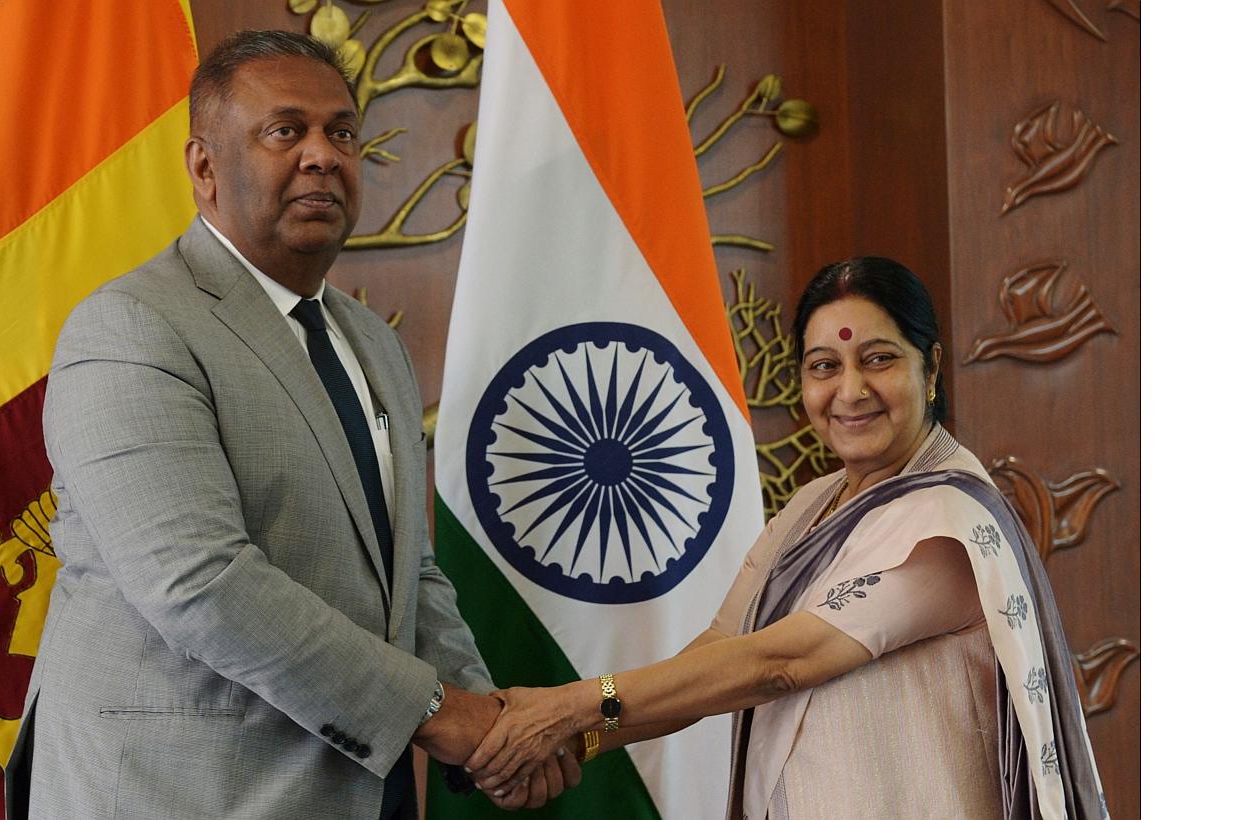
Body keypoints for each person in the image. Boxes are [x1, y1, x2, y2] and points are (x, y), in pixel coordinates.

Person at [4, 31, 576, 819]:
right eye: (285, 131)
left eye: (342, 133)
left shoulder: (370, 341)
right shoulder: (131, 328)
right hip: (180, 798)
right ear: (204, 168)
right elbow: (199, 582)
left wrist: (493, 731)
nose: (322, 156)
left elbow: (408, 573)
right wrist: (443, 715)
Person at [463, 257, 1107, 819]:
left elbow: (776, 665)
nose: (850, 390)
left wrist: (573, 707)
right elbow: (717, 654)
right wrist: (568, 741)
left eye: (878, 359)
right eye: (825, 365)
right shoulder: (810, 507)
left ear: (931, 368)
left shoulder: (950, 524)